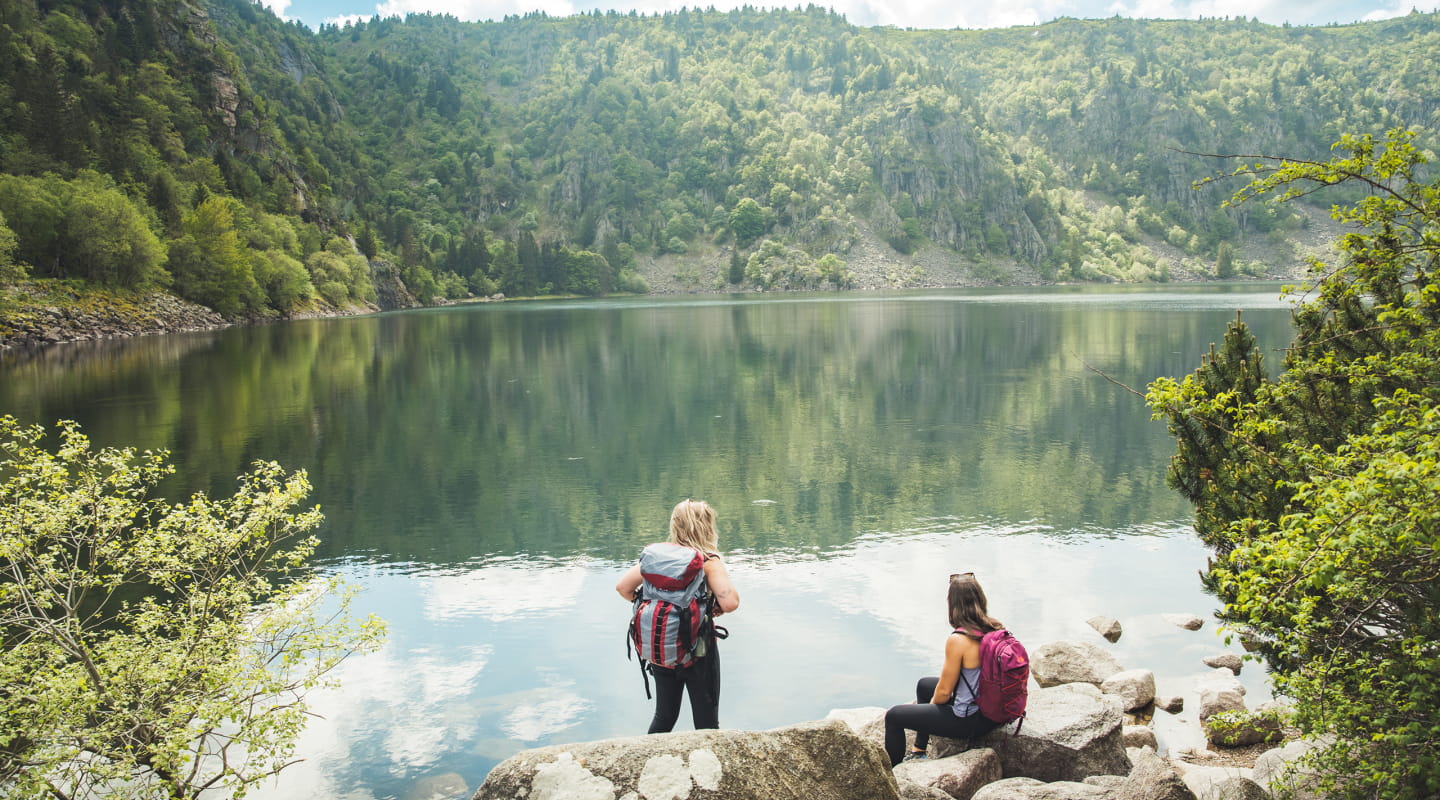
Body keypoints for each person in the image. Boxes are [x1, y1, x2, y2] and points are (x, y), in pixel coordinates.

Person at [617, 499, 740, 733]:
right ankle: (706, 766)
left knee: (664, 716)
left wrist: (646, 603)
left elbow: (623, 588)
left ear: (675, 525)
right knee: (706, 721)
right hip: (699, 651)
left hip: (662, 647)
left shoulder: (657, 559)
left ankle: (650, 761)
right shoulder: (708, 562)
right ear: (707, 527)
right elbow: (731, 602)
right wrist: (717, 606)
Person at [883, 572, 1003, 767]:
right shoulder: (995, 627)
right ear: (981, 599)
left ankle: (890, 776)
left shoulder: (959, 639)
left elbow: (944, 692)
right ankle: (919, 750)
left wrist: (931, 708)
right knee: (924, 684)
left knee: (894, 716)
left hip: (970, 721)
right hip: (992, 711)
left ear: (953, 604)